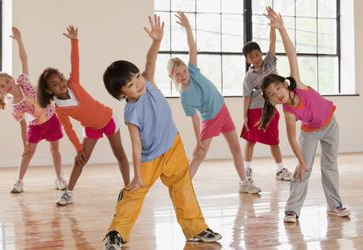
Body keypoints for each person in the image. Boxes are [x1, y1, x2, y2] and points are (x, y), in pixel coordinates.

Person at [102, 15, 221, 249]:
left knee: (182, 186)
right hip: (150, 157)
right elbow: (135, 146)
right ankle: (116, 233)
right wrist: (137, 175)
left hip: (173, 144)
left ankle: (195, 228)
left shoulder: (148, 81)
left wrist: (156, 41)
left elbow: (149, 60)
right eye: (130, 84)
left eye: (136, 76)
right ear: (122, 94)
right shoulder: (131, 114)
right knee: (135, 193)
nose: (138, 83)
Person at [260, 8, 350, 223]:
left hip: (331, 125)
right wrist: (301, 161)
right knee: (303, 171)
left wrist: (281, 29)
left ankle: (335, 205)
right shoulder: (288, 112)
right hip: (310, 133)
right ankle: (292, 210)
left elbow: (291, 53)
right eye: (272, 96)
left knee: (330, 166)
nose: (277, 95)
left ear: (285, 84)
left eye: (277, 89)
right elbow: (292, 138)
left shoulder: (298, 85)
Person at [167, 12, 260, 194]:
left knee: (235, 147)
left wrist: (187, 27)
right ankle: (183, 184)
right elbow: (194, 119)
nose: (183, 75)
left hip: (223, 110)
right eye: (178, 74)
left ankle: (244, 182)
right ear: (172, 77)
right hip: (210, 118)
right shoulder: (184, 97)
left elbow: (192, 48)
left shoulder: (193, 71)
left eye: (183, 71)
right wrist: (198, 141)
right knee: (200, 153)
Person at [37, 26, 130, 206]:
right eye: (55, 85)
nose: (61, 85)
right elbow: (68, 129)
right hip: (91, 128)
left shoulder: (74, 83)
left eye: (61, 80)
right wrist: (79, 148)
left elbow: (75, 62)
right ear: (49, 91)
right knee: (80, 159)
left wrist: (74, 41)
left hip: (108, 119)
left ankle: (128, 189)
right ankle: (68, 192)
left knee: (120, 154)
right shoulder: (60, 108)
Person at [0, 27, 66, 193]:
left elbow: (24, 58)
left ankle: (59, 178)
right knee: (27, 153)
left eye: (7, 80)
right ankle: (18, 181)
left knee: (55, 150)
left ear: (12, 79)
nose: (6, 85)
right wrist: (24, 144)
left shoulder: (23, 81)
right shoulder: (15, 107)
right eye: (2, 86)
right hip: (36, 126)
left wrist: (19, 40)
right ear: (2, 91)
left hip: (52, 120)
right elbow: (23, 126)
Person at [241, 7, 291, 182]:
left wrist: (272, 25)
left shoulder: (270, 61)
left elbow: (272, 41)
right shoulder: (249, 77)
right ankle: (246, 170)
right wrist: (244, 116)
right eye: (251, 57)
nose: (255, 58)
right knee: (251, 140)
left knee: (274, 141)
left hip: (270, 109)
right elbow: (246, 96)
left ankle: (280, 170)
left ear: (261, 53)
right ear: (247, 60)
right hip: (254, 110)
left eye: (256, 54)